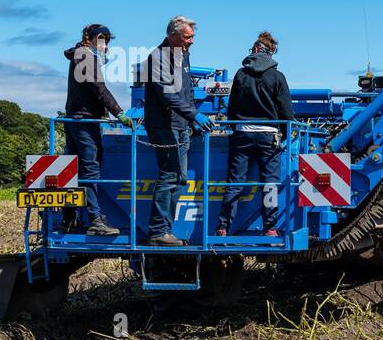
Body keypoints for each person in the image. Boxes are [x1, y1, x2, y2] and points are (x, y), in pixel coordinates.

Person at [215, 31, 294, 237]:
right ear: (271, 52)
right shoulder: (277, 76)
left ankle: (223, 226)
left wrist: (235, 127)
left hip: (242, 133)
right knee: (269, 183)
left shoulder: (242, 74)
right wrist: (287, 132)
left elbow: (231, 107)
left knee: (235, 182)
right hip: (269, 135)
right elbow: (286, 110)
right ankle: (270, 227)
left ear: (254, 50)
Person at [142, 16, 211, 246]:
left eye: (192, 37)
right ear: (173, 35)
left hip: (180, 125)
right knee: (169, 176)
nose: (191, 42)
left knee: (180, 179)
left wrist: (191, 120)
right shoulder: (157, 58)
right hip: (163, 125)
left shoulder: (183, 55)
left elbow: (187, 90)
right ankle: (158, 231)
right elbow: (167, 94)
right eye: (187, 37)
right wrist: (194, 115)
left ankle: (165, 229)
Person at [64, 24, 132, 235]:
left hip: (79, 119)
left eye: (108, 40)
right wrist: (118, 112)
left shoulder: (84, 55)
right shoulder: (85, 56)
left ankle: (70, 218)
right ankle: (94, 219)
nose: (105, 44)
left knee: (73, 171)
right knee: (90, 169)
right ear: (89, 38)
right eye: (101, 39)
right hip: (84, 121)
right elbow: (98, 88)